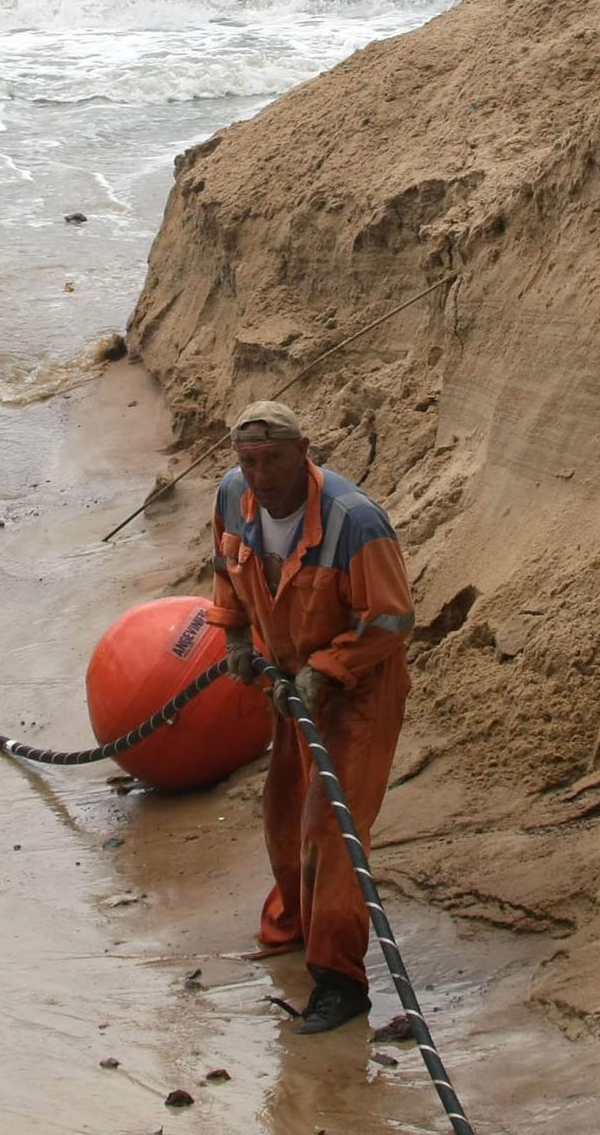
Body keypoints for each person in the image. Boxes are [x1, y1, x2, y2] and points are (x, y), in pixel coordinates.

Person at [205, 399, 415, 1035]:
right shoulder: (232, 497)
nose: (262, 476)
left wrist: (326, 670)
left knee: (332, 831)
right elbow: (225, 568)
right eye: (250, 460)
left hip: (357, 694)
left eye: (274, 459)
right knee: (282, 811)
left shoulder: (355, 521)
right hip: (290, 687)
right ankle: (292, 927)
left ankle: (339, 981)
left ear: (305, 453)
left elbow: (391, 619)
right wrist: (237, 638)